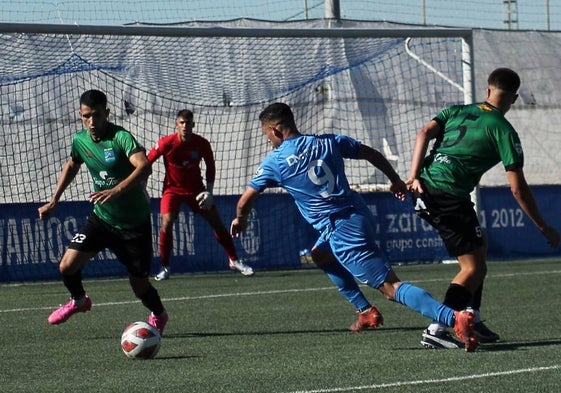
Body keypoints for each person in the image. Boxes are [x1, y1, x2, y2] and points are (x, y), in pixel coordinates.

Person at [230, 102, 479, 352]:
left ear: (274, 130)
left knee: (391, 288)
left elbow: (245, 201)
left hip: (342, 230)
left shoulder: (275, 162)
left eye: (266, 135)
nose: (268, 141)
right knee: (320, 253)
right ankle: (365, 311)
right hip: (357, 216)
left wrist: (241, 219)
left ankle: (453, 318)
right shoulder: (328, 141)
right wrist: (395, 181)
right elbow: (373, 154)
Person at [406, 67, 560, 349]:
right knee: (473, 267)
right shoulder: (504, 130)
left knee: (481, 245)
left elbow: (423, 133)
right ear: (513, 99)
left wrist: (413, 175)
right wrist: (544, 227)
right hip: (448, 195)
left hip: (424, 187)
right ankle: (437, 327)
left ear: (488, 90)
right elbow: (518, 189)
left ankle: (471, 315)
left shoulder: (456, 110)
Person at [38, 89, 169, 334]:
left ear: (107, 114)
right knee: (67, 266)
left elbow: (144, 166)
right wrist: (54, 200)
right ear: (80, 115)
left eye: (96, 115)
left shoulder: (120, 137)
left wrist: (117, 190)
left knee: (139, 286)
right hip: (102, 218)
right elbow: (72, 165)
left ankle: (159, 314)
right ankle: (79, 300)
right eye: (86, 116)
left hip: (133, 224)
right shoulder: (80, 140)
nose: (91, 122)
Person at [147, 109, 254, 280]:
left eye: (188, 123)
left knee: (217, 223)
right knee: (166, 223)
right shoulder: (166, 143)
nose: (184, 126)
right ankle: (165, 267)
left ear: (193, 125)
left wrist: (209, 192)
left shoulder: (201, 143)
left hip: (197, 191)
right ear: (176, 124)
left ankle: (234, 260)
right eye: (181, 123)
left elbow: (210, 166)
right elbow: (146, 162)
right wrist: (143, 186)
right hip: (172, 190)